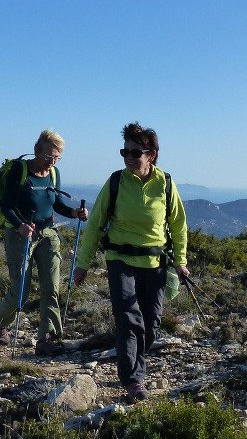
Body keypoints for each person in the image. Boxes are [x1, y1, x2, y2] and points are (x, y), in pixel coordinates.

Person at [73, 122, 189, 401]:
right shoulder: (115, 182)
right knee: (128, 319)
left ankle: (135, 365)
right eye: (125, 152)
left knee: (151, 323)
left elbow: (178, 224)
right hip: (120, 261)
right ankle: (133, 379)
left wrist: (180, 261)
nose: (129, 158)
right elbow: (96, 224)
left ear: (151, 154)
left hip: (154, 263)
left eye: (135, 153)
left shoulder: (166, 183)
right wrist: (82, 264)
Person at [0, 130, 88, 355]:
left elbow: (56, 202)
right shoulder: (19, 170)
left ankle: (47, 338)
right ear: (37, 150)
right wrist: (20, 225)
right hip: (19, 234)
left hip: (47, 233)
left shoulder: (54, 174)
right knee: (21, 289)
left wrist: (74, 212)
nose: (52, 161)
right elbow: (7, 206)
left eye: (57, 157)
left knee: (51, 287)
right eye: (49, 156)